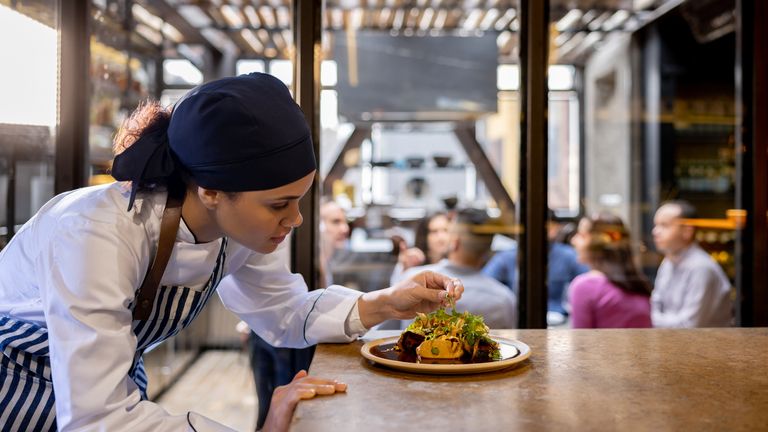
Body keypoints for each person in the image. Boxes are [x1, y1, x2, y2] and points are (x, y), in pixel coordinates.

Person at [0, 73, 464, 432]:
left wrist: (386, 302)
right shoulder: (94, 234)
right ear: (211, 191)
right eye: (279, 204)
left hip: (103, 401)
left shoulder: (237, 233)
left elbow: (283, 311)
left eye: (299, 200)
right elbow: (98, 420)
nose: (296, 219)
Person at [247, 198, 350, 431]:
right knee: (275, 403)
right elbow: (279, 296)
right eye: (335, 221)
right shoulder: (307, 249)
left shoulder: (322, 252)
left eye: (344, 221)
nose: (344, 228)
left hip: (273, 330)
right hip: (282, 335)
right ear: (318, 224)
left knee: (274, 403)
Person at [395, 209, 517, 329]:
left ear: (454, 242)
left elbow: (385, 331)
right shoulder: (505, 300)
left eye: (447, 231)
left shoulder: (412, 280)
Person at [483, 210, 587, 318]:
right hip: (516, 316)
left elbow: (589, 281)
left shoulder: (567, 255)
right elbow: (485, 284)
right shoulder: (506, 257)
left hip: (557, 318)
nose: (548, 230)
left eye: (551, 226)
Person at [650, 200, 732, 327]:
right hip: (673, 342)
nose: (655, 232)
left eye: (664, 225)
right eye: (656, 225)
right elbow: (655, 304)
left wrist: (653, 320)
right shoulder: (668, 261)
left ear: (687, 231)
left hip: (706, 345)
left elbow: (689, 326)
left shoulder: (701, 268)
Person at [568, 212, 652, 328]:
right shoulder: (638, 284)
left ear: (597, 243)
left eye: (582, 236)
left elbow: (580, 343)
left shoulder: (585, 287)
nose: (573, 240)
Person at [390, 212, 451, 285]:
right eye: (434, 231)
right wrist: (403, 268)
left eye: (445, 230)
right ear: (424, 236)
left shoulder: (460, 266)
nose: (441, 237)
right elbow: (395, 291)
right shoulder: (412, 267)